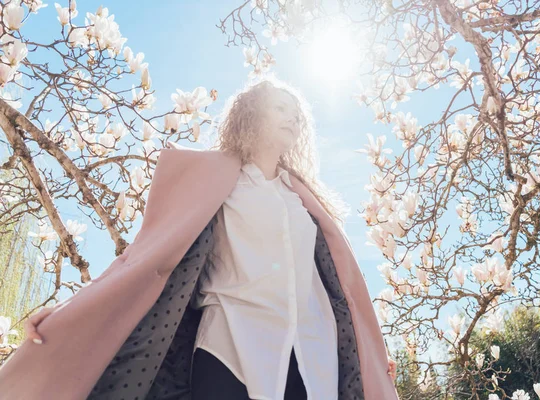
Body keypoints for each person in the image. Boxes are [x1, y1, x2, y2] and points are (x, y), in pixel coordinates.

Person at [17, 77, 398, 400]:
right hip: (229, 343)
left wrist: (368, 351)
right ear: (252, 115)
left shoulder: (303, 199)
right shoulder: (214, 181)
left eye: (296, 112)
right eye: (281, 108)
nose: (293, 117)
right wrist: (73, 311)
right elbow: (146, 256)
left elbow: (340, 286)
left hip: (311, 353)